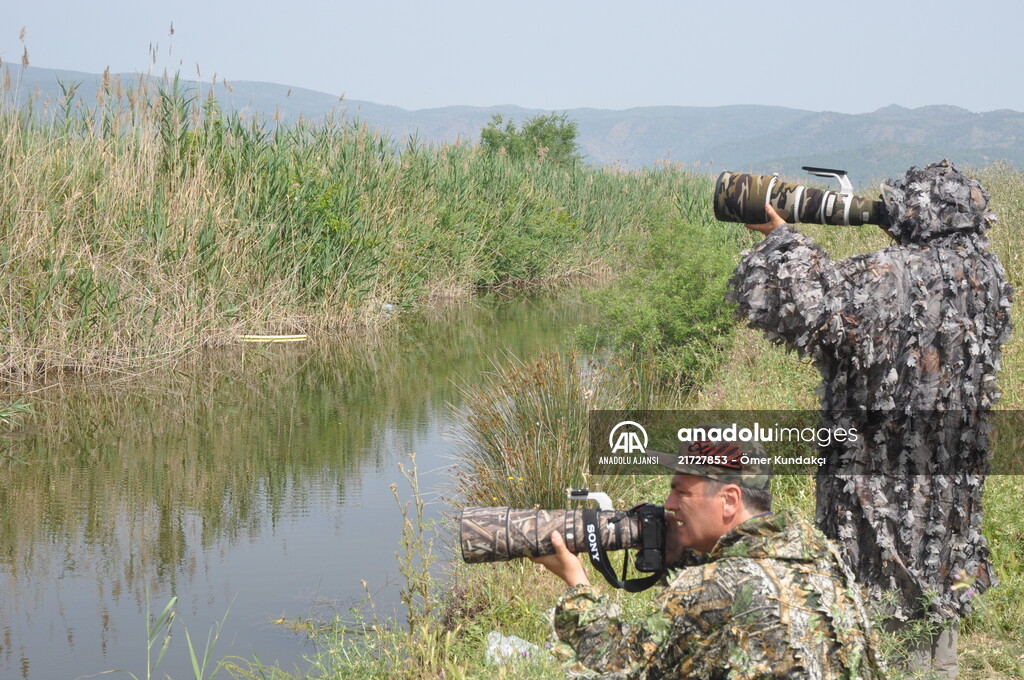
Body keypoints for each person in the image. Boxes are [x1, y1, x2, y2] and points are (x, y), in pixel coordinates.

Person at [728, 160, 1013, 678]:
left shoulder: (896, 273)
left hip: (878, 496)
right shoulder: (987, 275)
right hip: (949, 500)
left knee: (878, 615)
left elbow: (810, 307)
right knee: (935, 602)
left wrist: (782, 239)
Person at [531, 434, 883, 679]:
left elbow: (615, 664)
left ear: (729, 500)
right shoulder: (819, 555)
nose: (668, 505)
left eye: (680, 492)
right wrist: (679, 556)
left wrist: (575, 582)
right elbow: (751, 585)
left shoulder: (712, 586)